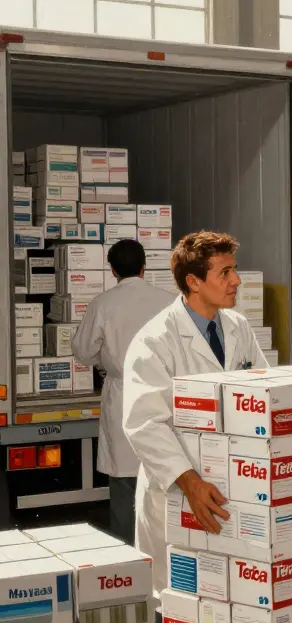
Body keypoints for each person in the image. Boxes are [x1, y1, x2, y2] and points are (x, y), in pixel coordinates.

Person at [122, 231, 268, 597]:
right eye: (225, 273)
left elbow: (263, 391)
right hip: (178, 490)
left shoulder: (238, 327)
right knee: (176, 600)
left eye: (234, 270)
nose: (237, 281)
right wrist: (190, 483)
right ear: (194, 282)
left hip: (233, 487)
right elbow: (144, 423)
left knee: (231, 598)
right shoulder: (156, 340)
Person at [71, 239, 175, 544]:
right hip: (164, 394)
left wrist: (104, 360)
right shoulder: (170, 302)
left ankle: (127, 554)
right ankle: (165, 552)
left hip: (123, 395)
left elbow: (82, 350)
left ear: (113, 270)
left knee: (124, 485)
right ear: (144, 266)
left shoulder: (103, 304)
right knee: (164, 479)